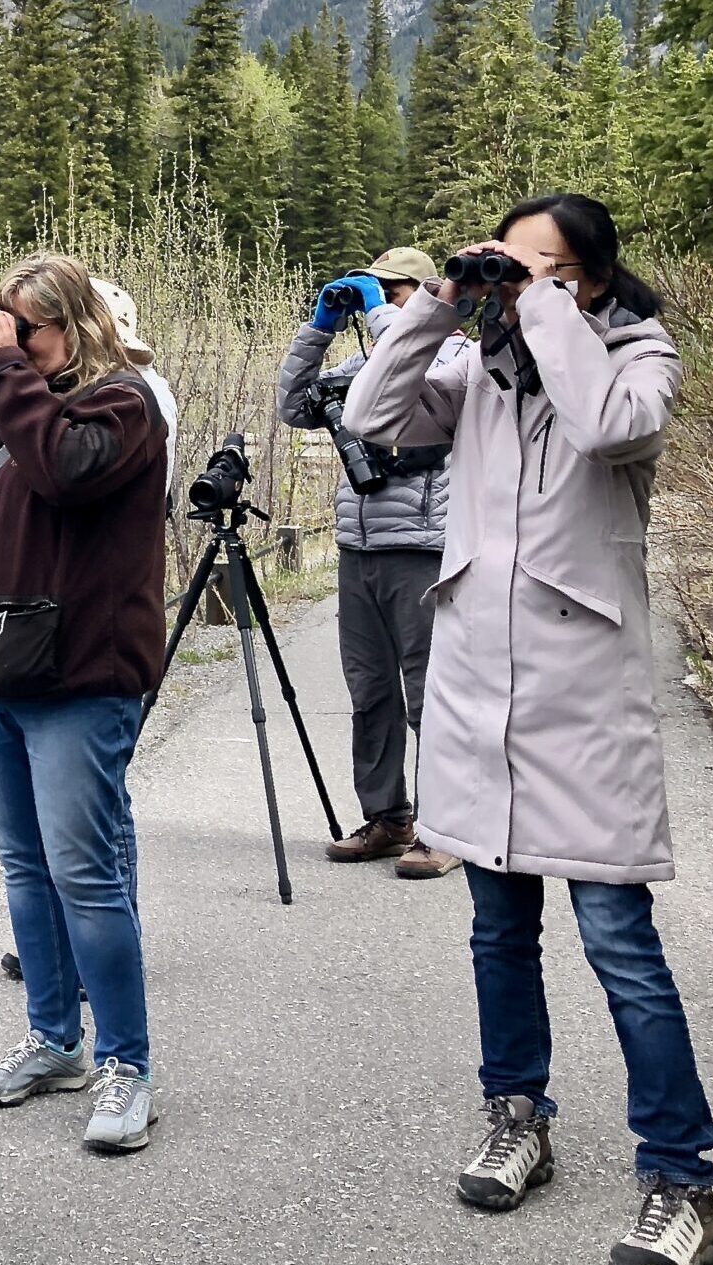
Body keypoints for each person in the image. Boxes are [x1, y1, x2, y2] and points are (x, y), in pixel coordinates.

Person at [346, 194, 713, 1265]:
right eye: (505, 265)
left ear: (592, 282)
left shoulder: (637, 356)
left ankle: (680, 1176)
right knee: (495, 929)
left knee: (620, 943)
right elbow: (371, 413)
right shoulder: (477, 374)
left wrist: (542, 309)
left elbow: (609, 426)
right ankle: (517, 1112)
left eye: (544, 269)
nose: (515, 286)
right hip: (476, 690)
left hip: (580, 692)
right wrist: (437, 305)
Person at [0, 253, 170, 1153]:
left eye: (27, 327)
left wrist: (5, 371)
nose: (12, 343)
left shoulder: (123, 404)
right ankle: (54, 1039)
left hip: (80, 679)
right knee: (24, 869)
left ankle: (127, 1064)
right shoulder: (4, 401)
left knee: (87, 875)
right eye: (4, 326)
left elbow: (65, 466)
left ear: (74, 326)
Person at [276, 246, 471, 880]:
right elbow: (293, 406)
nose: (376, 301)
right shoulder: (363, 365)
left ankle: (449, 828)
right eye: (370, 290)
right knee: (370, 691)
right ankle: (389, 817)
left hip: (423, 548)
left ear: (426, 294)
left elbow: (413, 366)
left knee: (429, 696)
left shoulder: (457, 360)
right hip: (358, 548)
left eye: (392, 290)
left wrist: (389, 316)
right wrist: (320, 327)